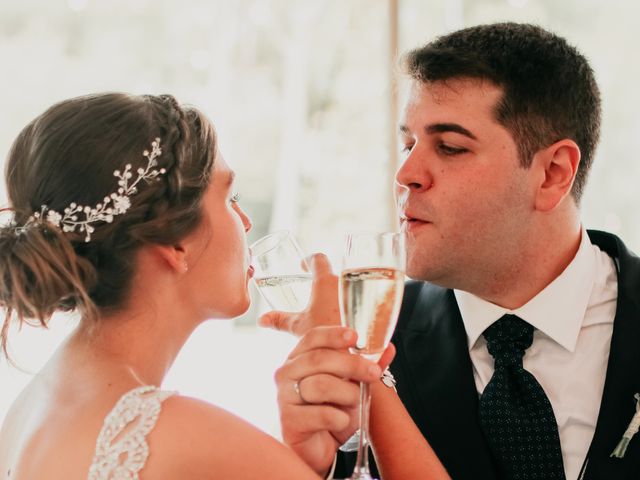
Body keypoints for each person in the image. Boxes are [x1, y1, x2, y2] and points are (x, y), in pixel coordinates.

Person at [264, 22, 640, 480]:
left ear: (553, 174)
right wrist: (309, 468)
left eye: (450, 147)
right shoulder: (362, 345)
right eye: (408, 144)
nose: (406, 173)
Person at [0, 93, 386, 479]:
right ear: (175, 243)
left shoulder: (26, 414)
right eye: (229, 197)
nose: (246, 222)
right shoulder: (189, 439)